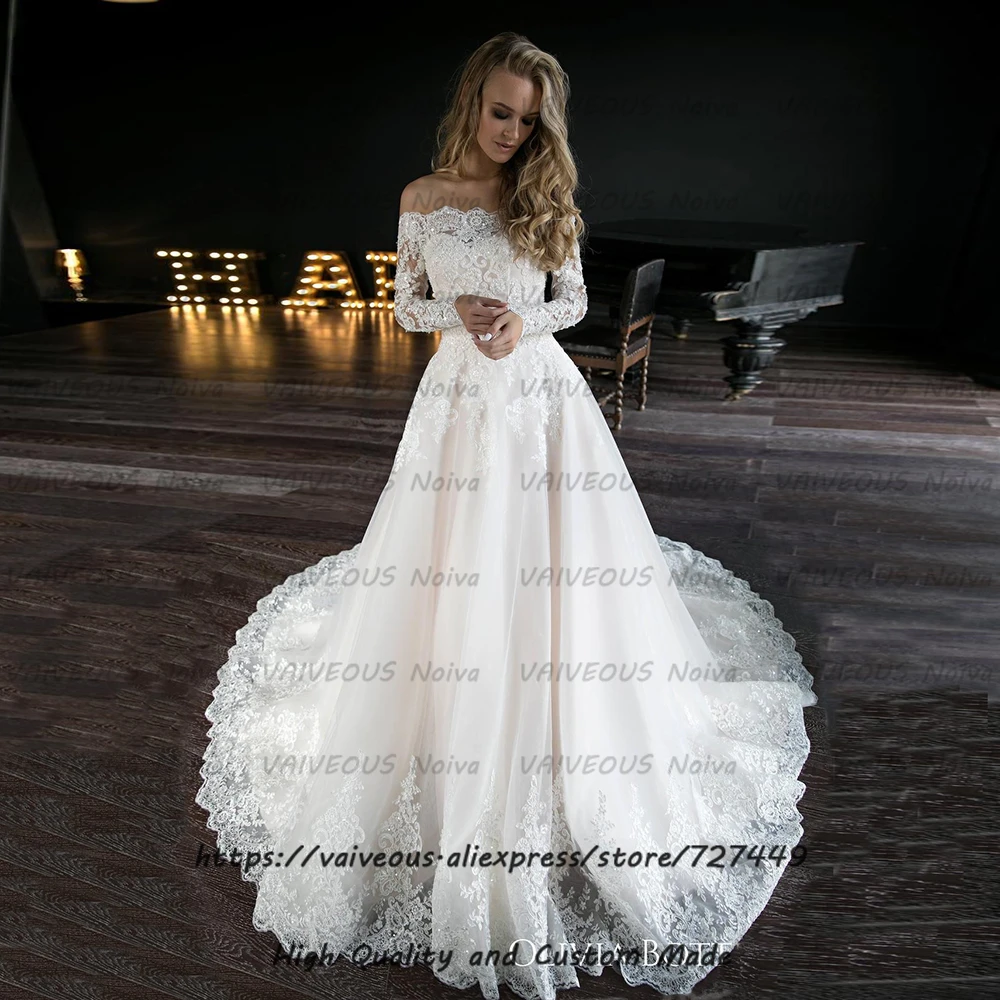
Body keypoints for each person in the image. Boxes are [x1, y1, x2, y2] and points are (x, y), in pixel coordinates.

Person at [197, 30, 816, 1000]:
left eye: (528, 120)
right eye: (500, 112)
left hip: (538, 401)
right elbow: (404, 308)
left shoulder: (547, 199)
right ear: (470, 105)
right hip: (455, 403)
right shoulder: (421, 199)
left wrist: (521, 321)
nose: (511, 131)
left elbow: (571, 303)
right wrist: (462, 314)